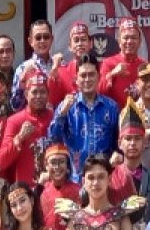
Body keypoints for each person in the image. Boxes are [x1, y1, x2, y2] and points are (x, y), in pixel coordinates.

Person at [47, 53, 119, 181]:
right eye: (83, 75)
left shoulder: (111, 107)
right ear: (76, 79)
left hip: (103, 180)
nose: (87, 79)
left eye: (91, 74)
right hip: (74, 180)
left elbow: (118, 142)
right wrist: (62, 114)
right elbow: (53, 139)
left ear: (99, 77)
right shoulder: (67, 106)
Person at [110, 107, 150, 220]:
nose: (132, 143)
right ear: (120, 143)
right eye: (128, 138)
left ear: (145, 142)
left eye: (137, 139)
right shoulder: (111, 177)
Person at [0, 70, 50, 184]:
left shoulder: (54, 119)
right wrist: (19, 138)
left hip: (51, 187)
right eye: (34, 92)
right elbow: (1, 161)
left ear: (48, 94)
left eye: (43, 92)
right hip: (25, 191)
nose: (39, 96)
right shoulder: (14, 121)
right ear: (26, 94)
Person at [98, 17, 145, 108]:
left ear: (139, 42)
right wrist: (112, 74)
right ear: (119, 41)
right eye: (126, 38)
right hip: (113, 118)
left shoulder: (144, 66)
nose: (130, 41)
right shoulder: (108, 63)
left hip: (139, 119)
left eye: (133, 38)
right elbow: (98, 92)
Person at [10, 19, 56, 112]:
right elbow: (15, 107)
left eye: (46, 37)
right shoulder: (22, 68)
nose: (42, 41)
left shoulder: (60, 65)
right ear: (30, 41)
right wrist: (21, 87)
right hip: (33, 123)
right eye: (38, 37)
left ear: (52, 39)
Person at [48, 22, 92, 107]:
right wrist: (53, 73)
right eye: (76, 40)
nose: (80, 44)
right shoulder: (61, 72)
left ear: (91, 44)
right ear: (70, 46)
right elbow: (51, 101)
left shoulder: (100, 69)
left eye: (83, 39)